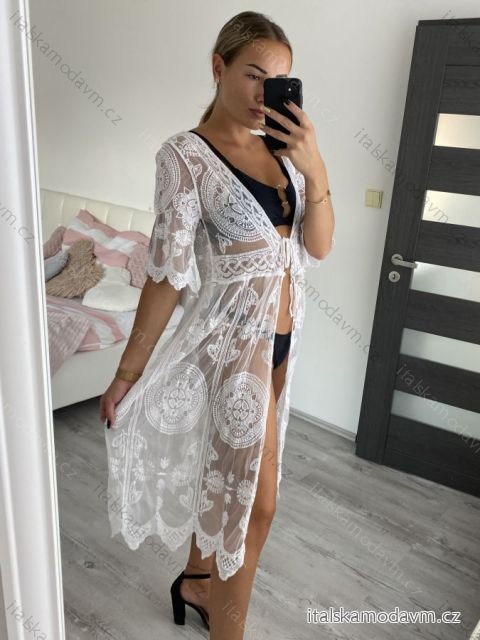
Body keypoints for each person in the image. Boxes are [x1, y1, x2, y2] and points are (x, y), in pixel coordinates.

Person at [100, 10, 335, 639]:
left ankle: (197, 580)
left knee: (225, 479)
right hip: (230, 347)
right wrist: (127, 372)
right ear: (218, 67)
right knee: (255, 506)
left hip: (284, 345)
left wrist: (315, 166)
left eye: (278, 81)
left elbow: (318, 246)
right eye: (253, 75)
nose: (265, 94)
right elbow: (166, 275)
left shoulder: (288, 154)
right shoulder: (185, 156)